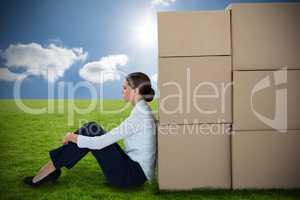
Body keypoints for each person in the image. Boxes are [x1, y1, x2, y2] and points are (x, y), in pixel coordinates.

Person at [23, 72, 157, 188]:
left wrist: (72, 137)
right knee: (92, 128)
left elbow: (101, 142)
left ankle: (47, 170)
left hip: (129, 177)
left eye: (125, 88)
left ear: (136, 91)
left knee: (90, 131)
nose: (122, 91)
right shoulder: (143, 110)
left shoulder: (140, 115)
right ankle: (53, 168)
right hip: (135, 171)